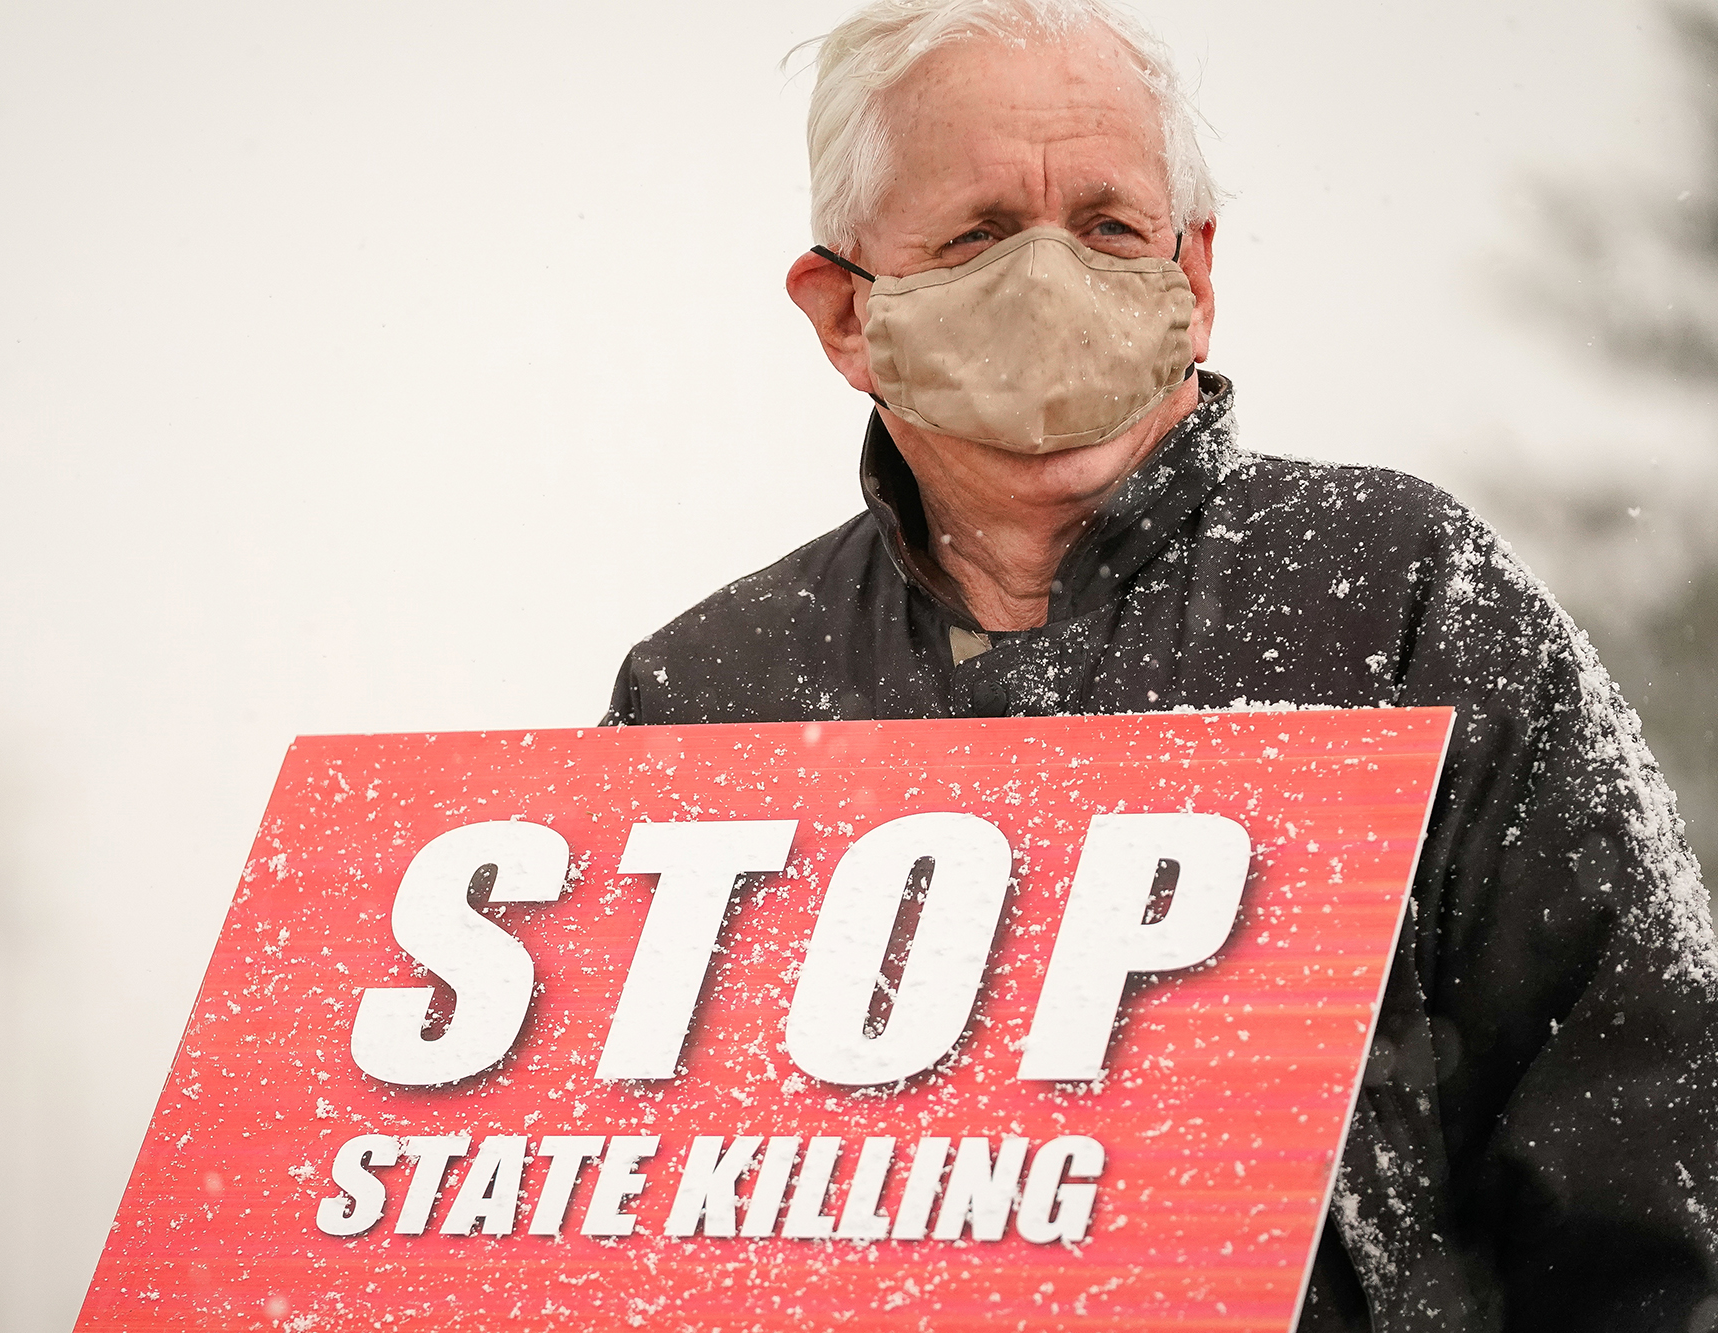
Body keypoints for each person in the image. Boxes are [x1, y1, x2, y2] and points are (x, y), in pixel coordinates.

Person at [601, 0, 1718, 1326]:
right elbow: (615, 1226)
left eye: (1109, 225)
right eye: (977, 234)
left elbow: (1649, 1192)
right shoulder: (706, 697)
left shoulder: (1406, 604)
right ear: (844, 310)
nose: (1052, 279)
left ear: (1193, 273)